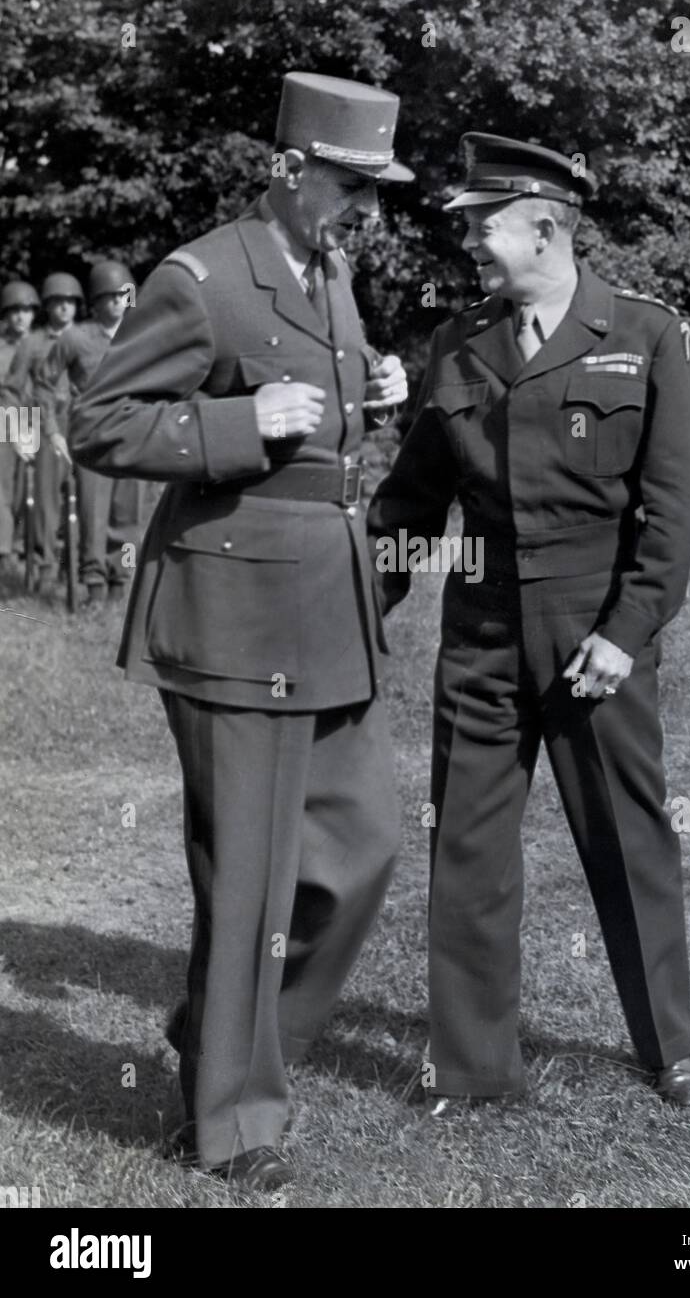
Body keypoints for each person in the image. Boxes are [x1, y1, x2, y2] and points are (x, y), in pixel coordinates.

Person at [69, 72, 413, 1190]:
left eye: (374, 190)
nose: (367, 209)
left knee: (362, 851)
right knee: (252, 883)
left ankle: (218, 1034)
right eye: (351, 186)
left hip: (328, 605)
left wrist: (374, 385)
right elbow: (98, 422)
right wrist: (235, 421)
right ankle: (230, 1122)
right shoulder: (204, 276)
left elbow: (327, 396)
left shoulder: (334, 268)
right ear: (289, 168)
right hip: (232, 611)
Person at [367, 133, 690, 1114]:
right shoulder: (458, 343)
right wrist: (356, 603)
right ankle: (475, 1073)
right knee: (467, 842)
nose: (467, 239)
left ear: (547, 226)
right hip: (480, 620)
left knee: (624, 836)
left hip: (592, 619)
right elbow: (411, 502)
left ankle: (670, 1048)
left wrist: (623, 632)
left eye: (483, 223)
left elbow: (671, 512)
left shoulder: (647, 336)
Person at [36, 260, 143, 607]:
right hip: (92, 437)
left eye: (122, 295)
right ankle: (94, 584)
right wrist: (52, 432)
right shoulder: (75, 338)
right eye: (107, 296)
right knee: (93, 516)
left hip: (134, 436)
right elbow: (44, 382)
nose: (116, 302)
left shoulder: (142, 335)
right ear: (94, 302)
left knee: (128, 517)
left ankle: (122, 581)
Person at [1, 272, 84, 592]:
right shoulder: (33, 345)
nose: (63, 309)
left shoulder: (86, 339)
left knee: (81, 500)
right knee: (42, 498)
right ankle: (43, 561)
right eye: (56, 303)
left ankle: (81, 563)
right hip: (40, 424)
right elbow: (11, 391)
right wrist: (19, 430)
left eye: (69, 302)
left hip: (80, 424)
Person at [0, 281, 41, 571]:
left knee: (38, 488)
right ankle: (5, 550)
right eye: (14, 310)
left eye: (25, 310)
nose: (20, 317)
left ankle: (35, 550)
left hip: (38, 420)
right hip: (4, 421)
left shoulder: (47, 345)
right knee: (4, 488)